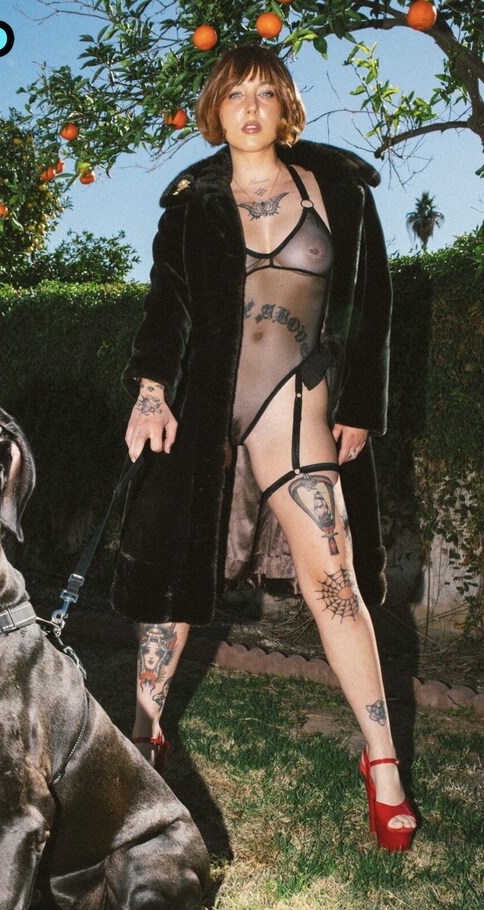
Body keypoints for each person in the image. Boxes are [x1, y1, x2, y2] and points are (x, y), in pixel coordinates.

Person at [111, 44, 416, 852]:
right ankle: (144, 735)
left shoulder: (337, 190)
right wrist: (152, 391)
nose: (250, 108)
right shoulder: (191, 207)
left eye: (265, 94)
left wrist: (361, 405)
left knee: (334, 573)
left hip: (296, 396)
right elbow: (166, 309)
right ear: (216, 110)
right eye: (235, 94)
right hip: (207, 405)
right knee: (174, 581)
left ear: (285, 108)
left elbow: (371, 303)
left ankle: (383, 762)